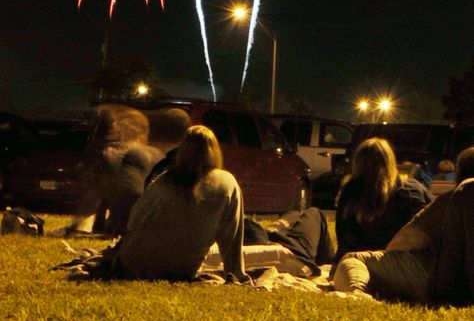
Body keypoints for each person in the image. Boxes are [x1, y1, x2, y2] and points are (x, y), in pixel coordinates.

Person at [333, 146, 474, 305]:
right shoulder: (413, 189)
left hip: (439, 279)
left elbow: (405, 241)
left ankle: (356, 294)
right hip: (458, 285)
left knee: (354, 259)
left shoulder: (456, 198)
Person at [114, 125, 248, 281]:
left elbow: (133, 221)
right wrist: (235, 273)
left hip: (133, 264)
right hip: (180, 269)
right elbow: (232, 236)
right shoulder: (227, 183)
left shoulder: (164, 180)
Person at [334, 137, 432, 263]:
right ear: (390, 161)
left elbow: (343, 236)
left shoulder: (351, 191)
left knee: (314, 215)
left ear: (357, 162)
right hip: (400, 262)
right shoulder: (412, 189)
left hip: (357, 261)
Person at [71, 104, 163, 237]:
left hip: (124, 226)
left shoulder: (112, 154)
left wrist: (75, 226)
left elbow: (95, 196)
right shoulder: (155, 154)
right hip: (152, 224)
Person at [203, 207, 335, 277]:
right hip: (293, 248)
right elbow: (258, 239)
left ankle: (275, 229)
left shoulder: (202, 248)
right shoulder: (212, 252)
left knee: (293, 214)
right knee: (314, 213)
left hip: (271, 236)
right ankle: (329, 261)